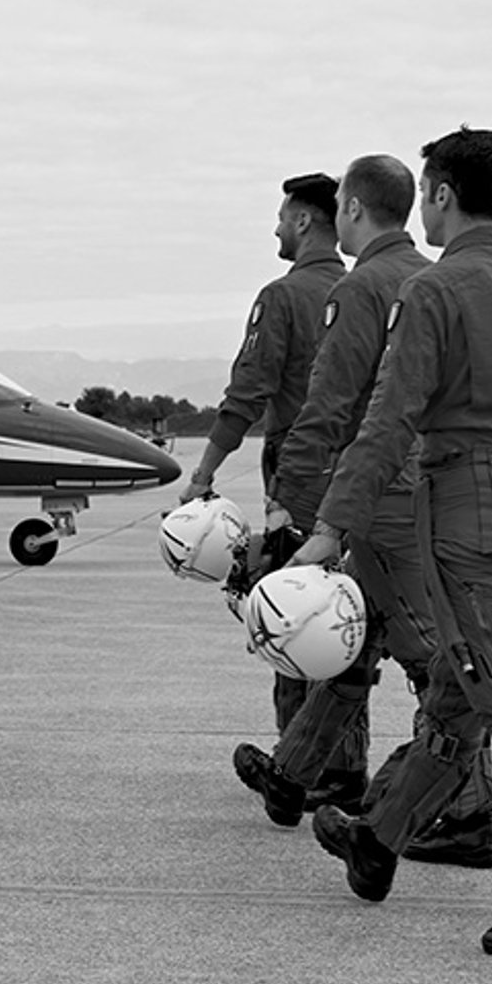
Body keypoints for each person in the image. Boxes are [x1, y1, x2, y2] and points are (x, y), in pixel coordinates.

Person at [291, 128, 492, 962]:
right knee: (454, 690)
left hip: (467, 515)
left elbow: (389, 418)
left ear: (439, 195)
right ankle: (379, 842)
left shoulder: (437, 292)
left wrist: (330, 527)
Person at [234, 154, 492, 866]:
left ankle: (468, 811)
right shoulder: (437, 279)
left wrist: (293, 511)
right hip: (437, 491)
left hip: (382, 499)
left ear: (352, 210)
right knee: (358, 639)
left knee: (429, 658)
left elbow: (328, 408)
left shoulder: (363, 290)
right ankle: (296, 774)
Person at [178, 172, 358, 797]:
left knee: (288, 608)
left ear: (306, 221)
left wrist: (203, 473)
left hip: (300, 466)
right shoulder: (363, 287)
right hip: (364, 470)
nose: (277, 228)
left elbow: (248, 391)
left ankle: (303, 767)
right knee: (347, 610)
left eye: (283, 217)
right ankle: (344, 764)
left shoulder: (282, 297)